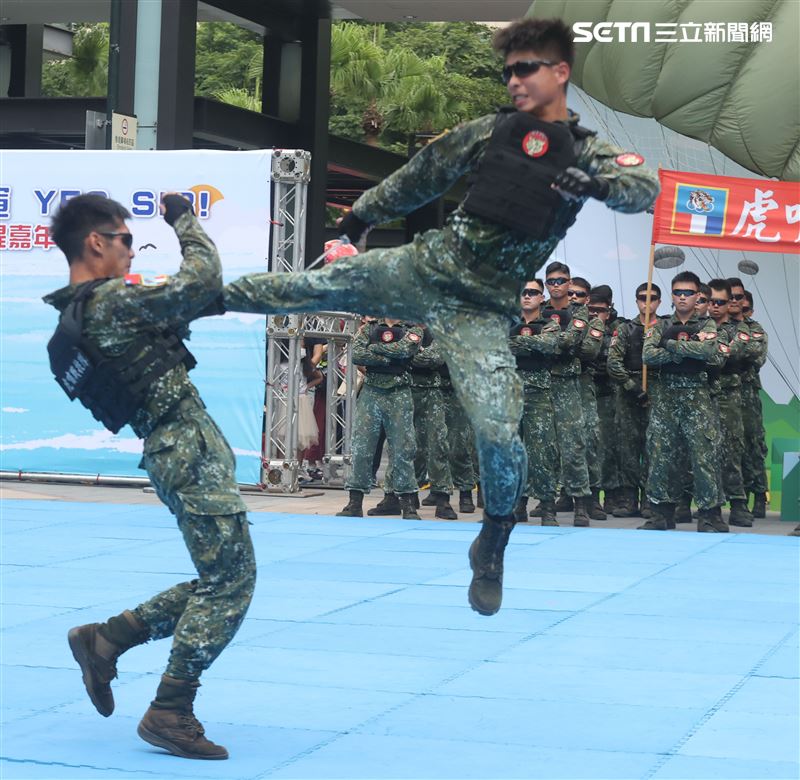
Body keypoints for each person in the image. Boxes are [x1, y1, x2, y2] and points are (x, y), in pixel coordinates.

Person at [221, 17, 658, 615]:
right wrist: (359, 218)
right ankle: (181, 298)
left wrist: (600, 187)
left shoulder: (589, 152)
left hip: (481, 310)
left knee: (499, 433)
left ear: (560, 72)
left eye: (526, 69)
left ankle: (493, 542)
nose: (514, 81)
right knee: (305, 289)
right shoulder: (489, 132)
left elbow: (641, 186)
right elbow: (421, 175)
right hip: (429, 266)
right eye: (508, 72)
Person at [46, 193, 256, 760]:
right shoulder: (110, 301)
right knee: (229, 583)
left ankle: (106, 639)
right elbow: (203, 278)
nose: (133, 251)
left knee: (222, 578)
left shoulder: (83, 312)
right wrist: (183, 218)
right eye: (126, 240)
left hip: (175, 449)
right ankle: (169, 708)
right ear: (97, 243)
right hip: (186, 449)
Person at [642, 271, 725, 531]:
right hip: (666, 396)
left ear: (698, 295)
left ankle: (708, 514)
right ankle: (660, 513)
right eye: (677, 292)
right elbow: (648, 355)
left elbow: (707, 351)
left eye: (688, 293)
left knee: (703, 456)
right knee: (661, 454)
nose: (682, 297)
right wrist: (684, 353)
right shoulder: (661, 325)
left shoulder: (706, 325)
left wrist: (670, 346)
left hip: (696, 396)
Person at [337, 318, 422, 519]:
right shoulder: (369, 328)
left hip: (399, 393)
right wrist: (389, 359)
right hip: (371, 392)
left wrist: (375, 349)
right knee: (362, 447)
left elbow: (405, 350)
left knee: (403, 449)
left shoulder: (413, 329)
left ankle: (408, 504)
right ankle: (354, 502)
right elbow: (357, 354)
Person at [541, 262, 595, 526]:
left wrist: (544, 340)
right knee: (543, 447)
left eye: (561, 280)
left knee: (574, 446)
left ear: (569, 282)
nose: (556, 285)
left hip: (568, 385)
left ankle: (580, 504)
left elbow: (571, 340)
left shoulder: (579, 312)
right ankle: (546, 504)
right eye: (551, 281)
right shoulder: (540, 310)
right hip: (541, 384)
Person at [607, 282, 661, 518]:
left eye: (652, 298)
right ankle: (629, 499)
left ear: (659, 302)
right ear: (636, 301)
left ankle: (649, 499)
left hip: (656, 393)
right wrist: (632, 387)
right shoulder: (625, 330)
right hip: (629, 394)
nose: (646, 302)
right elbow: (613, 363)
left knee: (653, 448)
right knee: (627, 448)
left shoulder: (665, 329)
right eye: (642, 298)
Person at [509, 279, 561, 525]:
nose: (527, 296)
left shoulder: (550, 325)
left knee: (542, 452)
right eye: (524, 292)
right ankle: (515, 506)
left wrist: (518, 343)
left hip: (538, 395)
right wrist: (532, 344)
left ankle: (547, 507)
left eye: (533, 292)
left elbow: (549, 344)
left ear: (542, 298)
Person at [707, 279, 754, 526]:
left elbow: (731, 353)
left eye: (720, 302)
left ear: (729, 304)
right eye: (711, 301)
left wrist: (702, 349)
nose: (715, 306)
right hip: (702, 393)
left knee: (731, 449)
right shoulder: (698, 326)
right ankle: (694, 503)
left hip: (728, 394)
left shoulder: (740, 329)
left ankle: (737, 503)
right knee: (700, 450)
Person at [736, 286, 770, 517]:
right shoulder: (720, 327)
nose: (740, 308)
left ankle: (759, 495)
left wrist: (733, 351)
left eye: (745, 307)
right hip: (723, 392)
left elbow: (756, 357)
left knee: (753, 445)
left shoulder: (755, 330)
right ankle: (738, 499)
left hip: (747, 393)